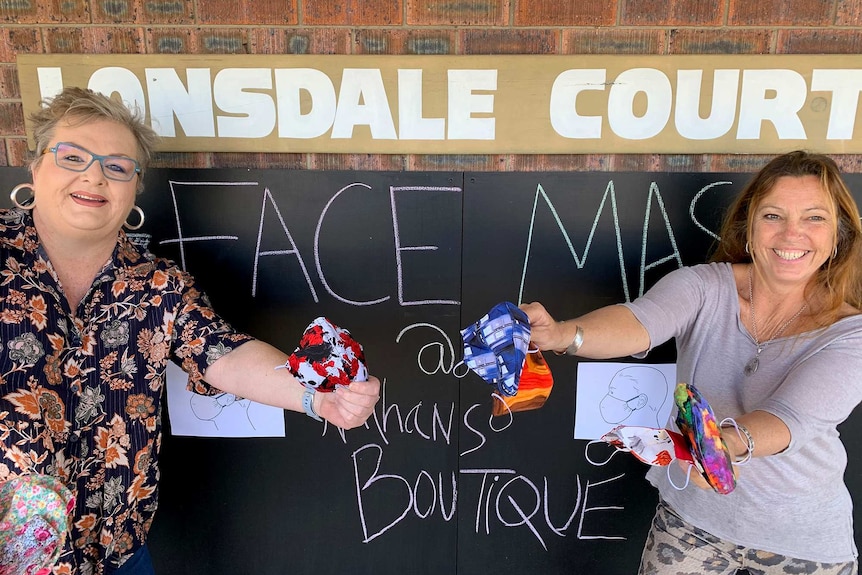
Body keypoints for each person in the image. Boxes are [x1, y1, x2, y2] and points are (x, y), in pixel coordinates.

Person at [0, 86, 381, 575]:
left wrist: (318, 397)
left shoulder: (158, 283)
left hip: (118, 557)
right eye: (73, 156)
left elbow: (225, 355)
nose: (94, 175)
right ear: (35, 167)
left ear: (135, 188)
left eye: (117, 166)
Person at [522, 150, 862, 575]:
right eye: (774, 216)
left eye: (814, 218)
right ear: (750, 228)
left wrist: (722, 449)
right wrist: (561, 334)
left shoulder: (852, 333)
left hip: (801, 542)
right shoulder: (703, 285)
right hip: (691, 523)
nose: (792, 234)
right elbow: (638, 321)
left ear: (838, 236)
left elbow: (791, 418)